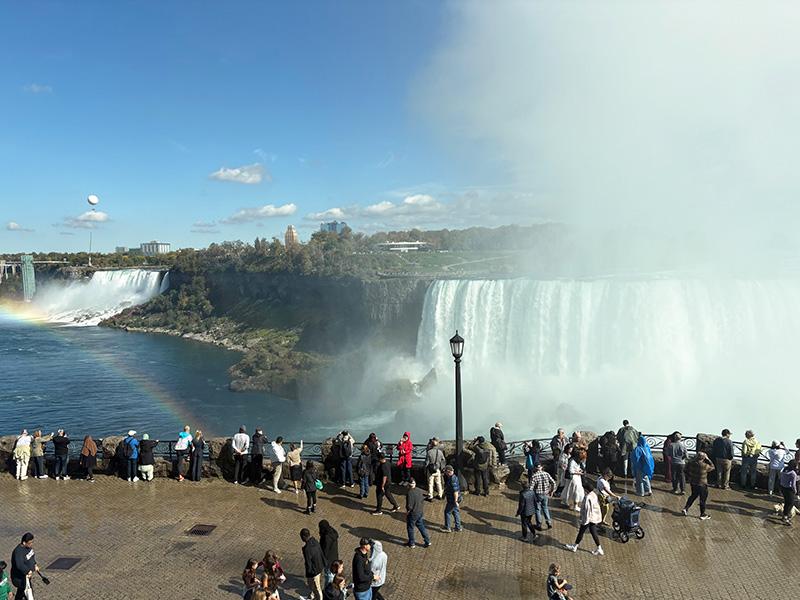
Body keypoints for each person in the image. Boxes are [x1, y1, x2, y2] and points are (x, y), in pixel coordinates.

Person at [565, 480, 604, 556]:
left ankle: (575, 546)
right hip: (593, 517)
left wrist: (584, 521)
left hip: (588, 518)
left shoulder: (587, 497)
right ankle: (599, 548)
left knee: (581, 532)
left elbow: (587, 510)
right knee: (593, 532)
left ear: (586, 489)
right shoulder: (594, 494)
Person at [683, 450, 715, 520]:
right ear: (703, 458)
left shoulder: (691, 463)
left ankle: (686, 508)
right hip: (702, 484)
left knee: (693, 496)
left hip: (693, 483)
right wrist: (708, 459)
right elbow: (713, 467)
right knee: (702, 499)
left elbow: (685, 469)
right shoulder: (704, 466)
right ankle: (702, 514)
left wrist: (689, 476)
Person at [405, 478, 431, 548]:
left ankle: (412, 543)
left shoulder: (409, 493)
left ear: (408, 484)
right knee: (421, 526)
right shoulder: (419, 490)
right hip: (420, 512)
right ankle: (427, 541)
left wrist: (407, 512)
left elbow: (409, 506)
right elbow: (423, 498)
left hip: (413, 514)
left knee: (410, 528)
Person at [11, 533, 39, 600]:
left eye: (32, 542)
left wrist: (35, 564)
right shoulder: (18, 552)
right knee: (28, 592)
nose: (31, 544)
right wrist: (27, 571)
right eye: (30, 543)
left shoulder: (28, 547)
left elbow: (31, 556)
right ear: (24, 542)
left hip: (26, 576)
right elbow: (19, 565)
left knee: (22, 592)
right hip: (19, 578)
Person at [300, 528, 326, 600]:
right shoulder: (314, 541)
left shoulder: (307, 549)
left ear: (303, 537)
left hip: (314, 572)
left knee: (317, 587)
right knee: (312, 585)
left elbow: (308, 562)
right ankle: (312, 596)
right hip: (319, 567)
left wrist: (309, 573)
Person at [530, 462, 556, 530]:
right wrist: (552, 491)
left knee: (537, 509)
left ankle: (539, 524)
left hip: (538, 494)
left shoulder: (534, 476)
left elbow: (531, 488)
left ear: (535, 468)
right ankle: (549, 522)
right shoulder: (546, 474)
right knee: (545, 508)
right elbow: (553, 482)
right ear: (541, 467)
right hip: (546, 493)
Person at [442, 464, 463, 532]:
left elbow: (455, 491)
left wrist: (455, 501)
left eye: (445, 472)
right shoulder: (453, 477)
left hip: (452, 500)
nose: (445, 473)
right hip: (455, 499)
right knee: (455, 512)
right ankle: (458, 527)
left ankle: (447, 527)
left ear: (448, 472)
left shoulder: (452, 479)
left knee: (447, 512)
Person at [779, 460, 798, 525]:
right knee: (790, 503)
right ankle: (785, 516)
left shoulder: (784, 469)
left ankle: (784, 515)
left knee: (786, 502)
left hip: (782, 487)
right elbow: (793, 484)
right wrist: (795, 491)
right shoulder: (793, 473)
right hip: (789, 490)